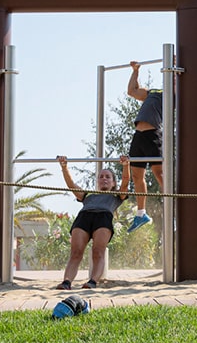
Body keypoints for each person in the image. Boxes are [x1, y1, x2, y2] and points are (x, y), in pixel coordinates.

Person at [56, 155, 132, 290]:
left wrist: (126, 165)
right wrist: (64, 167)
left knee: (98, 251)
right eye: (101, 176)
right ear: (97, 181)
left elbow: (126, 181)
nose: (104, 179)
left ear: (113, 183)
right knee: (76, 252)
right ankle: (66, 282)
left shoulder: (117, 195)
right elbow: (71, 184)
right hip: (84, 217)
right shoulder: (88, 194)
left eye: (108, 177)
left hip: (103, 218)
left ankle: (92, 281)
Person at [125, 61, 166, 233]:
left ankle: (173, 205)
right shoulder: (154, 91)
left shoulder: (175, 94)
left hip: (153, 135)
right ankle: (141, 213)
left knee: (159, 173)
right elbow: (132, 91)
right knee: (136, 175)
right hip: (138, 135)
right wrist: (135, 71)